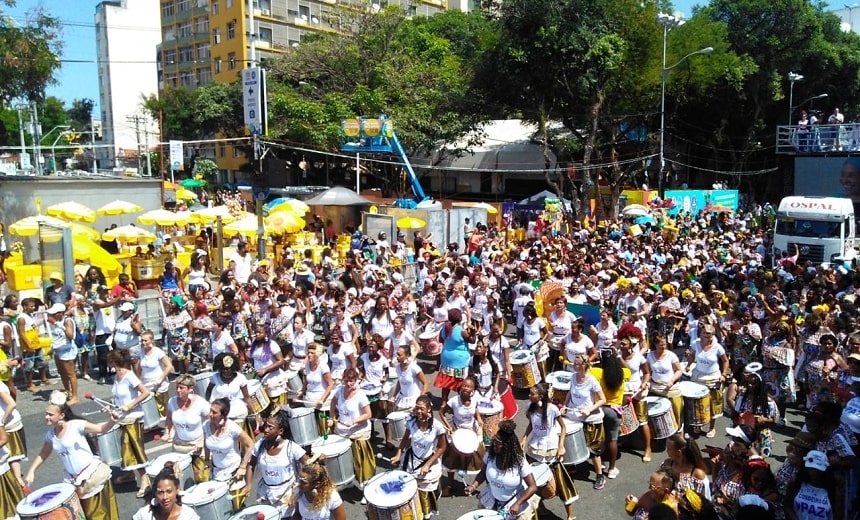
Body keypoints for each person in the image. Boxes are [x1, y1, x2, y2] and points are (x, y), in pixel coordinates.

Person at [24, 391, 121, 520]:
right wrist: (31, 471)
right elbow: (43, 454)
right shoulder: (51, 435)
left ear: (61, 415)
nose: (47, 417)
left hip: (91, 476)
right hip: (73, 480)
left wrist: (112, 421)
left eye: (50, 414)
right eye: (46, 414)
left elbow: (100, 430)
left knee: (97, 515)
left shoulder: (75, 425)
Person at [522, 383, 578, 519]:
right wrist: (524, 437)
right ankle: (539, 506)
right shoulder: (530, 407)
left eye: (532, 394)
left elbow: (563, 427)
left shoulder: (553, 409)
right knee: (533, 480)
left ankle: (570, 515)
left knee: (560, 484)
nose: (529, 396)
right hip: (534, 447)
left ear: (541, 396)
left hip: (550, 448)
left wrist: (561, 446)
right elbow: (532, 424)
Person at [465, 419, 539, 518]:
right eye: (494, 440)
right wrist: (473, 486)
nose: (494, 444)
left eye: (498, 443)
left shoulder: (520, 462)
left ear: (507, 445)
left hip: (513, 502)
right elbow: (483, 473)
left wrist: (517, 503)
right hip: (491, 499)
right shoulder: (490, 455)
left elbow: (532, 487)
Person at [244, 409, 309, 518]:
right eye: (266, 426)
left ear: (281, 431)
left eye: (270, 427)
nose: (265, 429)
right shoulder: (260, 445)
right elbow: (251, 464)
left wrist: (298, 491)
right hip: (266, 494)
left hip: (287, 495)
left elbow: (309, 466)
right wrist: (248, 484)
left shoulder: (291, 448)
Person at [391, 394, 446, 519]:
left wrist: (427, 464)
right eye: (417, 408)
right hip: (412, 461)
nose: (419, 411)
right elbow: (406, 438)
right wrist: (398, 454)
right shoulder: (411, 422)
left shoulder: (437, 426)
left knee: (424, 497)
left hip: (429, 464)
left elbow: (442, 448)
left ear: (429, 409)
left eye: (421, 408)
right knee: (410, 492)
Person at [108, 349, 151, 497]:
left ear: (114, 362)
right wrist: (111, 406)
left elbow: (146, 392)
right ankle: (129, 474)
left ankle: (145, 480)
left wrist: (130, 405)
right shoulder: (117, 376)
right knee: (126, 449)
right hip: (123, 418)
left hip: (133, 417)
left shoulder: (129, 376)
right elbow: (118, 398)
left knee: (135, 449)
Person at [327, 367, 375, 495]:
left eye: (351, 381)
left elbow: (368, 414)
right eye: (346, 380)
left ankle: (367, 488)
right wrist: (332, 417)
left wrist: (354, 421)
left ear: (356, 380)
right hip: (342, 431)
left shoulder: (361, 395)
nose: (348, 384)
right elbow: (332, 403)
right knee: (347, 460)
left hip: (358, 433)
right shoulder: (339, 391)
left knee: (361, 462)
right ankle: (348, 482)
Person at [565, 353, 608, 489]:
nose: (574, 365)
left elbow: (603, 399)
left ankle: (599, 475)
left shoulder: (592, 381)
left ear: (584, 365)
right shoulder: (573, 376)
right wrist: (563, 406)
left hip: (589, 418)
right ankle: (573, 465)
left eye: (577, 364)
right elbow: (570, 392)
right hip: (574, 415)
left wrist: (590, 409)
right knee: (573, 441)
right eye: (574, 363)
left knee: (593, 448)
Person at [439, 375, 484, 496]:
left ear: (473, 390)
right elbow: (441, 412)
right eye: (464, 385)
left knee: (478, 453)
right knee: (452, 459)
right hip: (456, 429)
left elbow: (475, 410)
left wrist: (479, 418)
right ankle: (449, 485)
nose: (465, 388)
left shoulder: (474, 400)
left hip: (471, 430)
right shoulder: (453, 401)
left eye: (469, 386)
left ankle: (476, 485)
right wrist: (448, 426)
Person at [163, 374, 210, 482]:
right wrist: (167, 432)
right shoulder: (172, 402)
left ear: (190, 389)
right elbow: (169, 419)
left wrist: (202, 440)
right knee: (180, 477)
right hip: (180, 446)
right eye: (177, 388)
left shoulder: (201, 403)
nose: (178, 390)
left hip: (198, 446)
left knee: (202, 478)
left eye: (181, 388)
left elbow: (210, 423)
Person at [592, 346, 630, 480]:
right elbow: (628, 369)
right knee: (612, 440)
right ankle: (612, 468)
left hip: (600, 410)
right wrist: (617, 355)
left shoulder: (596, 372)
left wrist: (597, 359)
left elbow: (589, 367)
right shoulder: (624, 373)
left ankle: (600, 463)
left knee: (599, 438)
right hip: (615, 411)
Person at [687, 322, 729, 437]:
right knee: (698, 403)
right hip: (698, 377)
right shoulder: (695, 343)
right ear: (700, 333)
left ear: (713, 335)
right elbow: (691, 356)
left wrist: (724, 374)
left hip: (713, 378)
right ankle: (699, 423)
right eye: (704, 333)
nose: (706, 335)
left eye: (709, 334)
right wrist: (689, 360)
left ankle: (712, 427)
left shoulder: (718, 347)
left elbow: (725, 361)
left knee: (712, 404)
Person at [202, 398, 255, 486]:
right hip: (216, 472)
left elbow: (251, 444)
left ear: (223, 415)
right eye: (210, 411)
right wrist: (207, 459)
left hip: (233, 471)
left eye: (214, 412)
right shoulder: (206, 425)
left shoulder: (232, 428)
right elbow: (206, 443)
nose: (210, 414)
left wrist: (243, 467)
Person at [205, 352, 257, 438]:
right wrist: (209, 405)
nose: (225, 371)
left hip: (238, 415)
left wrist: (255, 414)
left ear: (233, 367)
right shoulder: (214, 378)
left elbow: (247, 397)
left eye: (228, 369)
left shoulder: (240, 378)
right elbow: (208, 391)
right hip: (221, 415)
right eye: (223, 369)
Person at [620, 336, 653, 461]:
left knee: (642, 420)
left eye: (624, 344)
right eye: (621, 343)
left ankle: (647, 448)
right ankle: (627, 439)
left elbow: (647, 373)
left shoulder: (639, 357)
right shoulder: (617, 355)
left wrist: (644, 383)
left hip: (637, 390)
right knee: (625, 417)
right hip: (623, 390)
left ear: (630, 346)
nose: (621, 345)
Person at [132, 461, 200, 520]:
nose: (165, 497)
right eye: (160, 492)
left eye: (169, 491)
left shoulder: (188, 516)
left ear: (177, 489)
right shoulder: (146, 514)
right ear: (155, 493)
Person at [435, 308, 476, 403]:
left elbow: (441, 340)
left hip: (446, 359)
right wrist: (473, 332)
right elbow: (472, 340)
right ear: (460, 318)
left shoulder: (445, 328)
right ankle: (461, 402)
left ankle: (444, 401)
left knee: (446, 381)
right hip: (459, 361)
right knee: (460, 381)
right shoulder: (461, 331)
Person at [784, 450, 837, 520]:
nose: (814, 472)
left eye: (818, 470)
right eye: (811, 469)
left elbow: (837, 514)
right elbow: (786, 505)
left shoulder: (832, 488)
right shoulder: (796, 482)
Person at [647, 336, 684, 436]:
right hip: (655, 387)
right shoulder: (649, 355)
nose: (663, 346)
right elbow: (647, 371)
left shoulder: (671, 355)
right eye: (661, 345)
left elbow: (679, 370)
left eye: (665, 344)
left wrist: (672, 380)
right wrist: (647, 381)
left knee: (677, 410)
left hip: (670, 388)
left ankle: (679, 432)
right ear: (655, 344)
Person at [45, 303, 80, 404]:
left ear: (60, 313)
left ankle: (75, 396)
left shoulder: (67, 321)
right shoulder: (56, 322)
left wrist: (57, 324)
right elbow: (57, 337)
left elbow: (70, 335)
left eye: (54, 313)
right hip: (58, 350)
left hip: (67, 351)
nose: (52, 316)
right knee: (62, 373)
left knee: (70, 374)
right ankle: (67, 391)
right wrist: (52, 349)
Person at [18, 297, 54, 392]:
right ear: (25, 307)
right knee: (29, 366)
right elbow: (22, 333)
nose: (33, 308)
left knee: (41, 362)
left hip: (37, 343)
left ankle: (44, 379)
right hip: (29, 346)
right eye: (31, 306)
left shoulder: (30, 316)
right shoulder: (21, 318)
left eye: (34, 306)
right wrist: (29, 346)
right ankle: (30, 385)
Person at [660, 433, 711, 500]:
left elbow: (705, 499)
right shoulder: (667, 464)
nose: (667, 451)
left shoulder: (697, 474)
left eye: (669, 449)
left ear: (679, 452)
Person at [250, 323, 288, 409]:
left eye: (259, 332)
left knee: (277, 408)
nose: (257, 334)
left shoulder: (272, 344)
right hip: (261, 379)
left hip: (273, 379)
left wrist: (265, 370)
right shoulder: (254, 344)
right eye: (256, 332)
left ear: (266, 334)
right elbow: (253, 359)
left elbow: (281, 361)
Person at [139, 329, 174, 418]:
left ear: (151, 341)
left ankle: (167, 426)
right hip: (147, 383)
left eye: (145, 340)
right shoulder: (141, 352)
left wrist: (161, 378)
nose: (143, 343)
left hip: (159, 384)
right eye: (142, 340)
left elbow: (169, 366)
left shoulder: (158, 352)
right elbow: (140, 368)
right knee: (150, 408)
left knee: (162, 409)